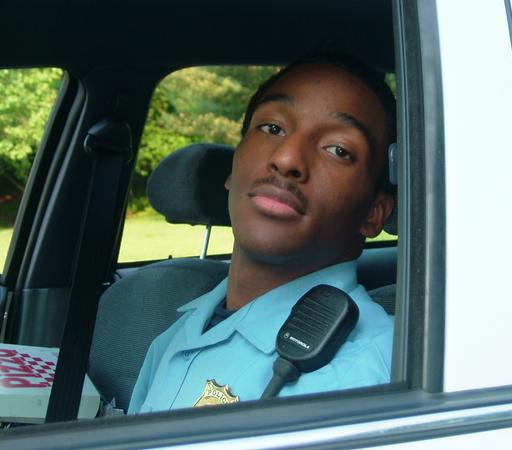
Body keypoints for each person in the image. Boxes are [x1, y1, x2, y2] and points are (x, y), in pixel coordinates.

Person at [128, 54, 396, 413]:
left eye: (338, 149)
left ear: (373, 213)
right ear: (232, 168)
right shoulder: (179, 333)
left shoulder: (365, 372)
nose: (287, 159)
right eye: (272, 128)